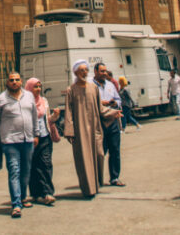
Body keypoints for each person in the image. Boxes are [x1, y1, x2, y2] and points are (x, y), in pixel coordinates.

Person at [0, 71, 39, 218]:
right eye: (11, 80)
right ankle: (16, 204)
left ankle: (23, 196)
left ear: (21, 82)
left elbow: (34, 116)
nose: (14, 82)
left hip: (28, 140)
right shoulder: (0, 99)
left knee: (26, 171)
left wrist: (36, 133)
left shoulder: (29, 96)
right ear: (7, 83)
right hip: (10, 141)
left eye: (17, 79)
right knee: (14, 170)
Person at [63, 60, 117, 198]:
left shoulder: (93, 88)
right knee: (85, 159)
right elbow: (68, 112)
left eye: (86, 70)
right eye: (81, 70)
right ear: (76, 72)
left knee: (99, 155)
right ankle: (88, 189)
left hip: (95, 129)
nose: (84, 72)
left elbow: (100, 108)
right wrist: (70, 131)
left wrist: (113, 113)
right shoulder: (71, 90)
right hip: (80, 131)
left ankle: (97, 184)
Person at [25, 76, 60, 206]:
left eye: (39, 86)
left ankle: (47, 192)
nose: (38, 89)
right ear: (29, 88)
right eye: (35, 86)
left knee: (45, 164)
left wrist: (55, 116)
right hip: (31, 139)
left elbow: (47, 119)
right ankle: (35, 194)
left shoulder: (44, 100)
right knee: (34, 167)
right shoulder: (25, 102)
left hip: (45, 136)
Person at [93, 62, 125, 187]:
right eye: (102, 71)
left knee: (115, 150)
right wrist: (102, 103)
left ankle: (114, 177)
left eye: (105, 71)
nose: (104, 73)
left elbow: (118, 100)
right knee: (100, 152)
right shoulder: (91, 86)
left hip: (113, 121)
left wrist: (114, 103)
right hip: (100, 122)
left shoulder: (110, 85)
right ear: (95, 72)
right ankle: (97, 178)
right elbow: (90, 103)